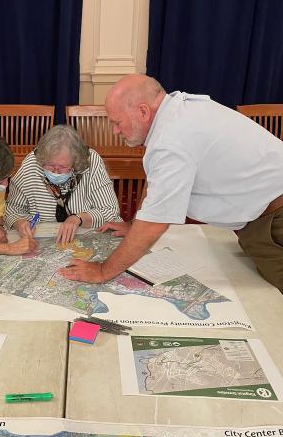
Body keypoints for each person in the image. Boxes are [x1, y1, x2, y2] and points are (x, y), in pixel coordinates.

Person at [60, 74, 283, 292]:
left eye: (117, 123)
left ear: (143, 111)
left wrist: (102, 271)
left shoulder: (171, 140)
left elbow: (154, 225)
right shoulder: (176, 110)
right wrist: (134, 223)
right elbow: (156, 180)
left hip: (276, 218)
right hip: (261, 214)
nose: (114, 131)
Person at [4, 125, 122, 243]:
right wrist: (19, 222)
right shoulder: (32, 164)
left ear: (75, 162)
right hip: (44, 239)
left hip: (88, 235)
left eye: (63, 167)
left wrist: (79, 218)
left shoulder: (90, 161)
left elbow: (110, 209)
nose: (55, 172)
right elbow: (12, 209)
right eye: (50, 165)